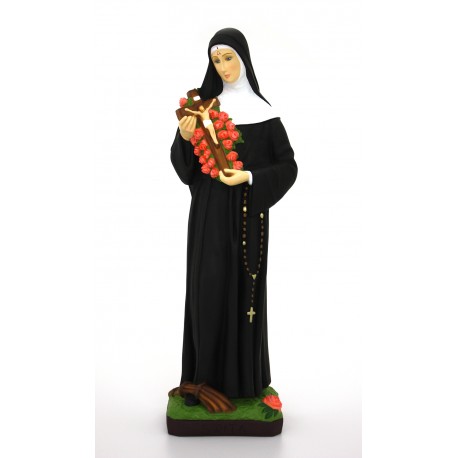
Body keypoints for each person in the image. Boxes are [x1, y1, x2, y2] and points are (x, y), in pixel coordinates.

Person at [170, 28, 298, 406]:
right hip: (209, 216)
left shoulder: (264, 111)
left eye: (228, 57)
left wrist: (250, 177)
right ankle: (204, 380)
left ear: (243, 58)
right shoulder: (204, 109)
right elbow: (187, 171)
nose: (223, 67)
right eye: (216, 60)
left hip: (247, 217)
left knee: (245, 294)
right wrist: (184, 138)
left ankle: (242, 383)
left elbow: (288, 166)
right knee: (207, 290)